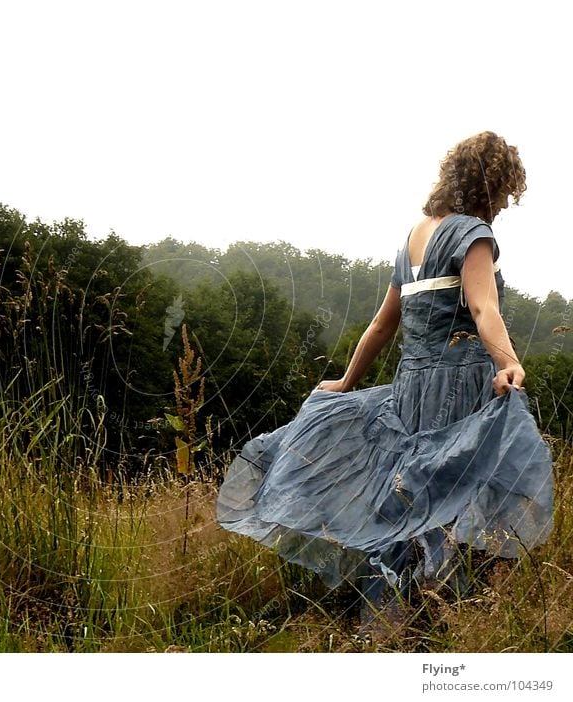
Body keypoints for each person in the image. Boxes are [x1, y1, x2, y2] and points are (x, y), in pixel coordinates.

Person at [215, 131, 555, 640]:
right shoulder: (473, 233)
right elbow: (484, 307)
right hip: (458, 382)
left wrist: (347, 381)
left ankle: (398, 613)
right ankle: (433, 614)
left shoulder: (414, 238)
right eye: (506, 191)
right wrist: (507, 363)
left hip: (410, 388)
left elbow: (381, 325)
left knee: (409, 493)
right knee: (453, 492)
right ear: (496, 186)